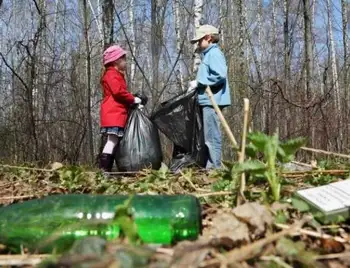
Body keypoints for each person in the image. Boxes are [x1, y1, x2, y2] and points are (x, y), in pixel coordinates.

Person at [188, 25, 231, 169]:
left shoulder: (214, 54)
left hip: (213, 101)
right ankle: (209, 166)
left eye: (199, 41)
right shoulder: (209, 54)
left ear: (208, 37)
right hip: (207, 100)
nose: (198, 45)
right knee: (208, 136)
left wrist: (199, 82)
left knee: (212, 137)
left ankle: (214, 169)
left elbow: (220, 75)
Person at [99, 45, 147, 172]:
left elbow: (119, 94)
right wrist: (133, 99)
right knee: (112, 141)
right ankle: (104, 170)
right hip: (113, 114)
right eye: (123, 59)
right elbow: (118, 92)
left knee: (114, 141)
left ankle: (107, 169)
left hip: (116, 114)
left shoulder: (114, 74)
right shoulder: (111, 74)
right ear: (116, 61)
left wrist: (132, 103)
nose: (126, 62)